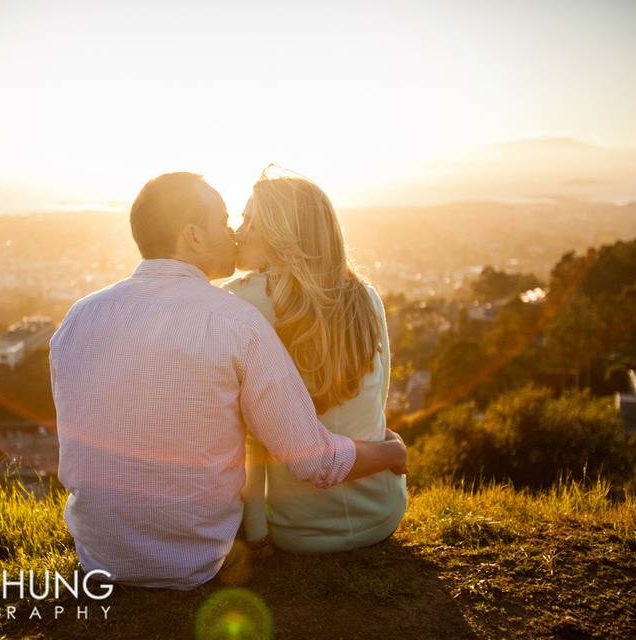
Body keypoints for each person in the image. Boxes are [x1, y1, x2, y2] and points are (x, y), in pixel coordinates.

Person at [49, 172, 407, 589]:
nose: (234, 232)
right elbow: (312, 458)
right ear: (194, 237)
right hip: (195, 559)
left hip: (98, 553)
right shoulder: (236, 320)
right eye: (223, 220)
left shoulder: (78, 317)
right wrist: (391, 454)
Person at [225, 174, 407, 554]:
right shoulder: (366, 296)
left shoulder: (240, 305)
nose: (239, 232)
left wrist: (255, 528)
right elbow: (378, 398)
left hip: (299, 529)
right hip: (383, 513)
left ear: (279, 233)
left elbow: (248, 434)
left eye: (249, 222)